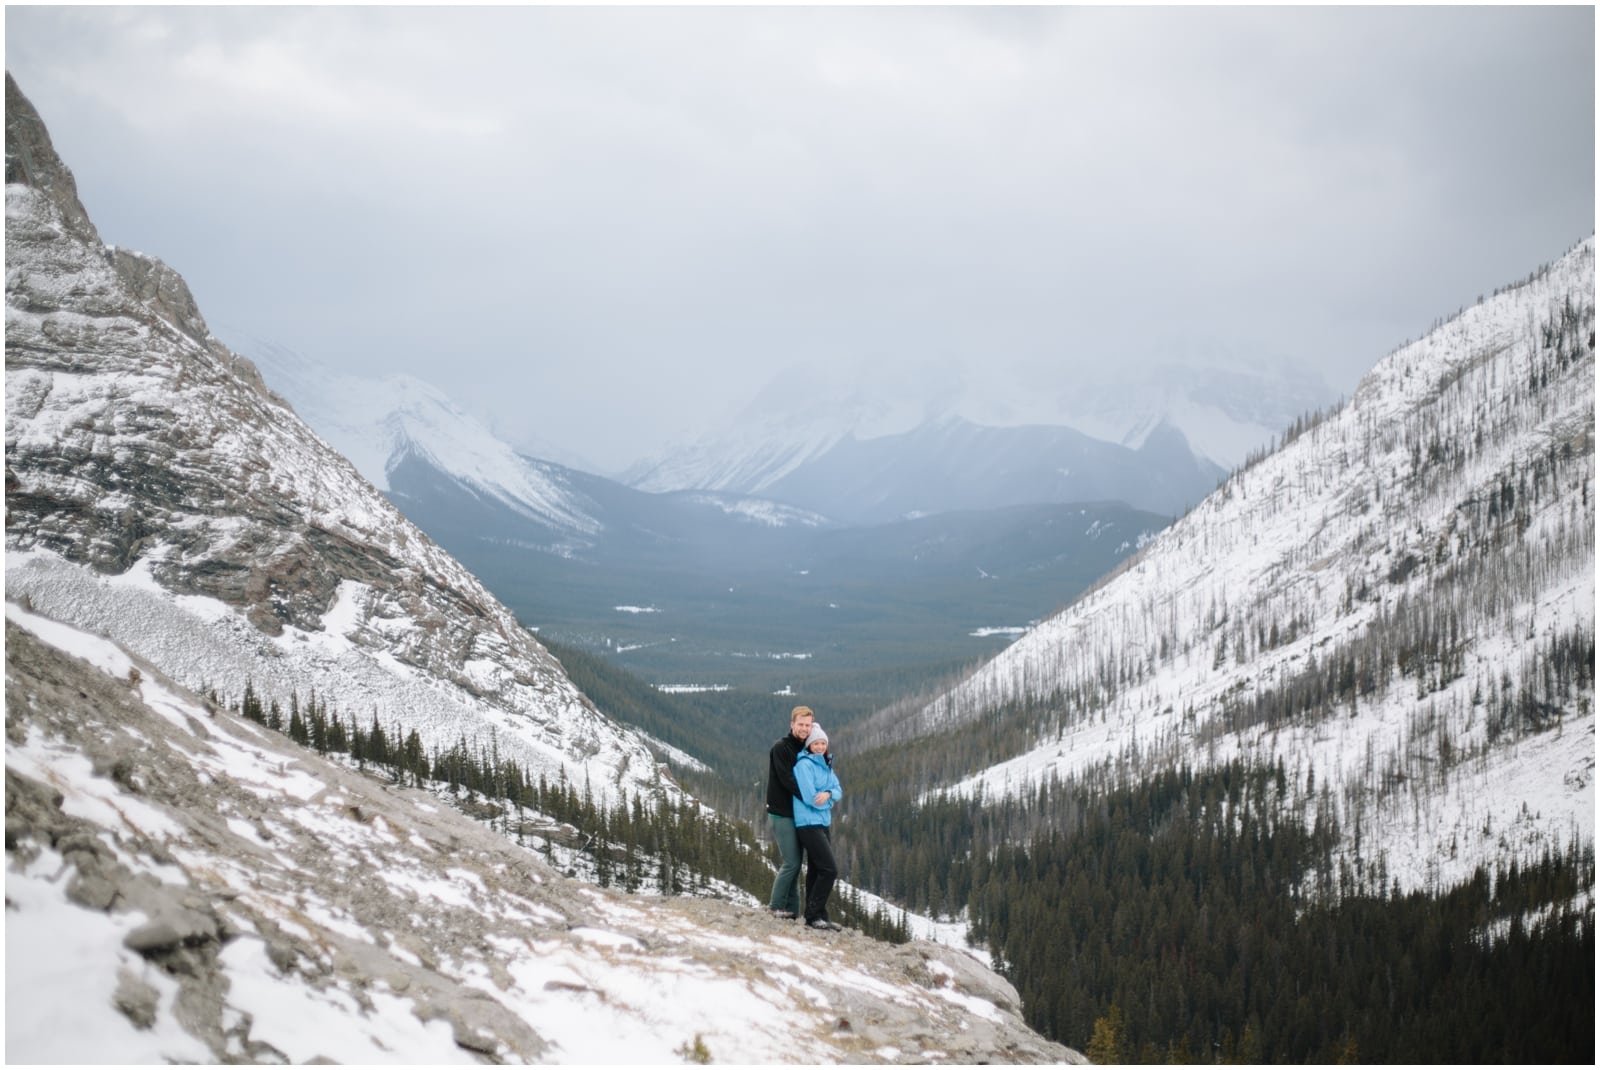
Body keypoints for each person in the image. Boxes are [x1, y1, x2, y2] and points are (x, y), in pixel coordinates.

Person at [765, 705, 814, 919]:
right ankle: (775, 906)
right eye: (801, 724)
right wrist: (811, 797)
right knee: (791, 862)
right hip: (781, 812)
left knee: (796, 864)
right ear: (792, 724)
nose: (804, 728)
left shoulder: (807, 748)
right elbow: (787, 780)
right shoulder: (781, 748)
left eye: (808, 725)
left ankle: (792, 911)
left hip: (798, 813)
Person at [792, 723, 842, 931]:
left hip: (822, 822)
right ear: (809, 745)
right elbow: (811, 798)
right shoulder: (803, 765)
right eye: (816, 743)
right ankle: (813, 915)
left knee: (816, 869)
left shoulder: (826, 764)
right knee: (829, 869)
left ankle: (818, 915)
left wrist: (829, 795)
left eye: (823, 743)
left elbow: (838, 790)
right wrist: (827, 797)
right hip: (808, 823)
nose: (820, 746)